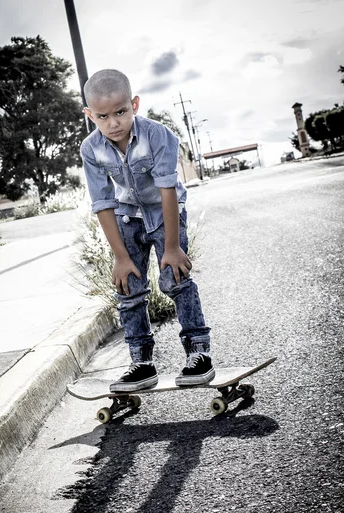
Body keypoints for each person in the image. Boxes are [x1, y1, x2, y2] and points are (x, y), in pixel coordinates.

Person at [80, 69, 214, 392]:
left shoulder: (158, 135)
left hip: (165, 213)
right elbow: (103, 203)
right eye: (103, 116)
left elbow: (167, 189)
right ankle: (141, 362)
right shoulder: (91, 149)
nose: (113, 123)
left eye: (121, 112)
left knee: (175, 278)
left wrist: (171, 247)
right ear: (89, 115)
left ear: (135, 104)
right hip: (128, 217)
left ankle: (199, 353)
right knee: (128, 288)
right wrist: (120, 257)